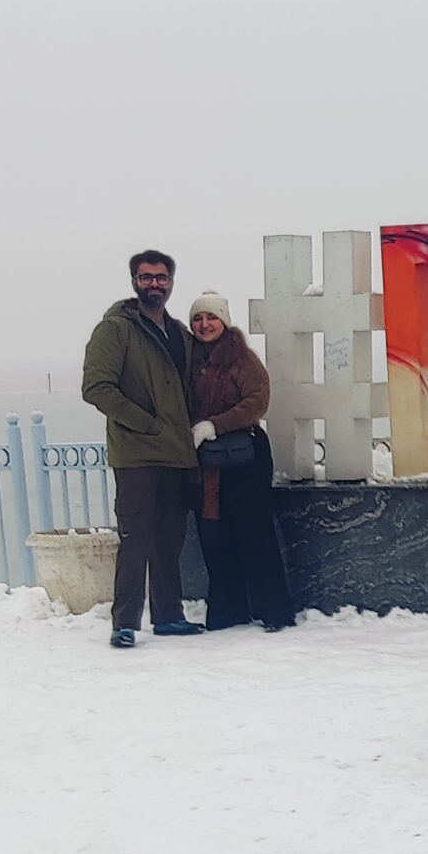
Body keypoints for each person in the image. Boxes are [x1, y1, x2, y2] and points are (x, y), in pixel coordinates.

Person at [81, 249, 202, 649]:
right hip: (136, 455)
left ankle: (168, 616)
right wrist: (146, 423)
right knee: (135, 539)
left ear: (171, 282)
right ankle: (125, 623)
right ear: (134, 281)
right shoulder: (115, 329)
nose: (154, 284)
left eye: (161, 277)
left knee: (169, 541)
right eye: (146, 277)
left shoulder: (179, 333)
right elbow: (96, 387)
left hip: (176, 455)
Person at [186, 292, 295, 631]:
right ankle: (228, 611)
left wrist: (214, 425)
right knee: (215, 535)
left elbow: (257, 401)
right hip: (208, 462)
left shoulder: (242, 358)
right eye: (198, 318)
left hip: (244, 458)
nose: (205, 324)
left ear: (224, 321)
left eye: (212, 317)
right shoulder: (190, 360)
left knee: (254, 534)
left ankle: (274, 611)